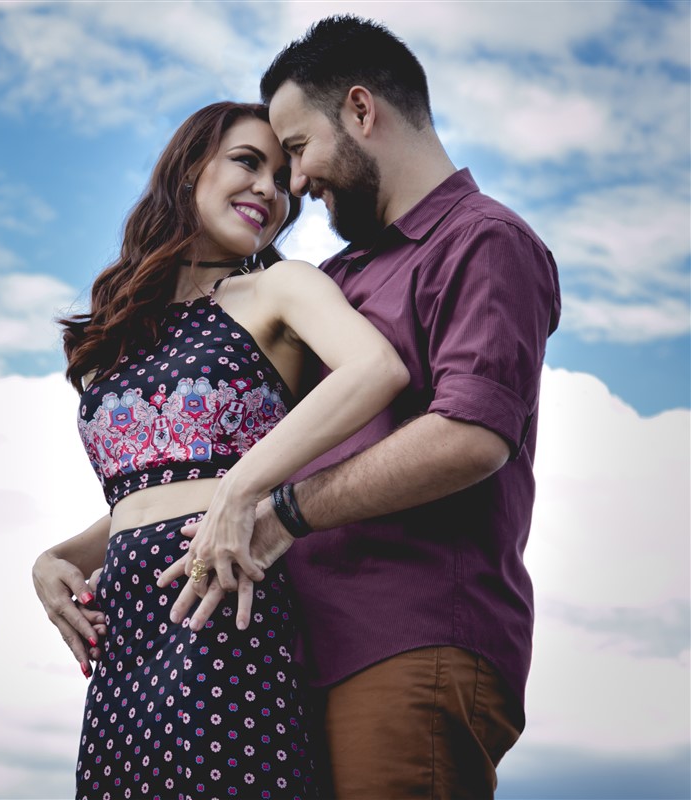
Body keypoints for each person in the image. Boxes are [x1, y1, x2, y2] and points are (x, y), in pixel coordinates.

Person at [160, 16, 562, 798]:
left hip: (410, 642)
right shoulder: (337, 278)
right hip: (293, 658)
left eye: (298, 150)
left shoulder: (483, 240)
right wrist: (71, 555)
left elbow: (472, 436)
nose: (295, 185)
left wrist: (281, 512)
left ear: (360, 110)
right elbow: (243, 448)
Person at [32, 101, 408, 799]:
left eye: (281, 174)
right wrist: (56, 560)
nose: (270, 187)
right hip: (126, 633)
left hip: (224, 601)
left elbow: (376, 370)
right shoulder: (108, 344)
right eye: (247, 161)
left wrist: (240, 489)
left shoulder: (278, 288)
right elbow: (144, 499)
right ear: (187, 170)